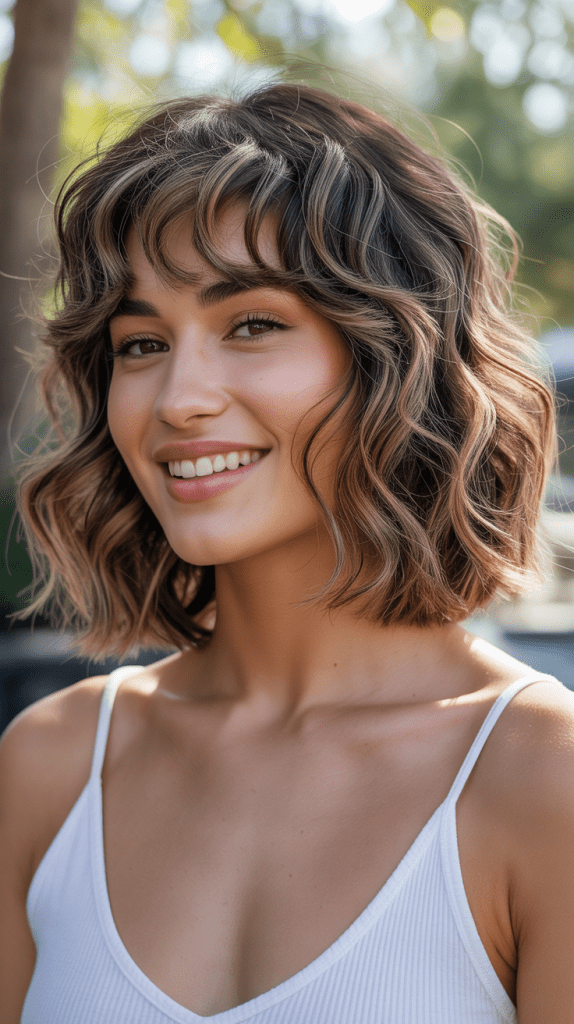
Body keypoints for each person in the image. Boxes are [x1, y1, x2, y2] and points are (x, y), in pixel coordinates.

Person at [1, 82, 572, 1024]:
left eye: (253, 325)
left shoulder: (542, 777)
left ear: (397, 356)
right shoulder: (53, 766)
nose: (178, 398)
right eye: (141, 343)